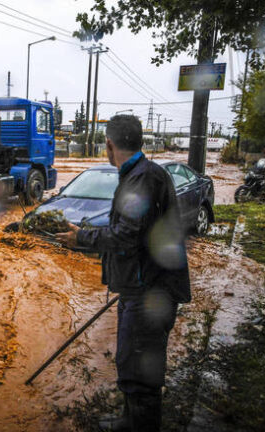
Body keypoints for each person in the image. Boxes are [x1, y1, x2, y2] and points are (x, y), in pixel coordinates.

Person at [54, 115, 191, 432]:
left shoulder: (141, 179)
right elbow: (135, 234)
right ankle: (130, 421)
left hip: (150, 293)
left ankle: (139, 424)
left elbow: (126, 236)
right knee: (131, 362)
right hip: (143, 287)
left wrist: (81, 237)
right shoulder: (143, 174)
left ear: (109, 145)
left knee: (141, 371)